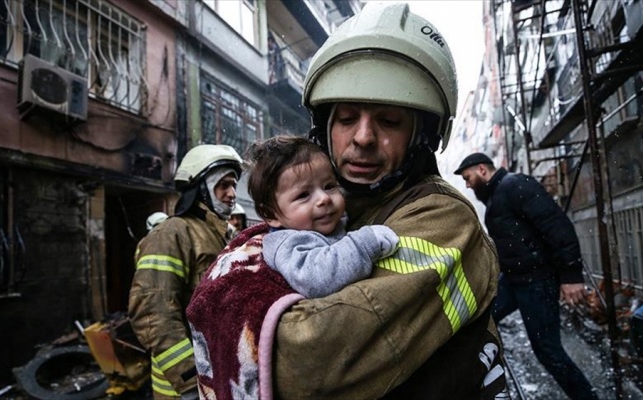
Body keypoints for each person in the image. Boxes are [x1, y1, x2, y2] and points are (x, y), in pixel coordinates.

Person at [188, 3, 507, 399]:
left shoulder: (442, 218)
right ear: (325, 128)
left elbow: (306, 361)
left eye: (389, 121)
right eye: (346, 118)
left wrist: (231, 307)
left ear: (421, 135)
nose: (363, 138)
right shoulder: (334, 210)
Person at [454, 152, 598, 400]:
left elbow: (557, 227)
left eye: (468, 178)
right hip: (515, 280)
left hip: (537, 282)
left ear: (482, 170)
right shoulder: (497, 197)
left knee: (548, 351)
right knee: (479, 319)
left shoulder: (515, 185)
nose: (467, 184)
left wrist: (571, 276)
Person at [128, 144, 242, 400]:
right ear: (200, 188)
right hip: (181, 390)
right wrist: (189, 380)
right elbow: (152, 313)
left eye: (233, 184)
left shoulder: (228, 236)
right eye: (223, 185)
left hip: (223, 377)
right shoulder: (171, 234)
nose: (232, 193)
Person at [251, 135, 399, 298]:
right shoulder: (288, 243)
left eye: (329, 186)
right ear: (270, 214)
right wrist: (365, 244)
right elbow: (316, 280)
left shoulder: (330, 222)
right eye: (303, 195)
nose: (324, 198)